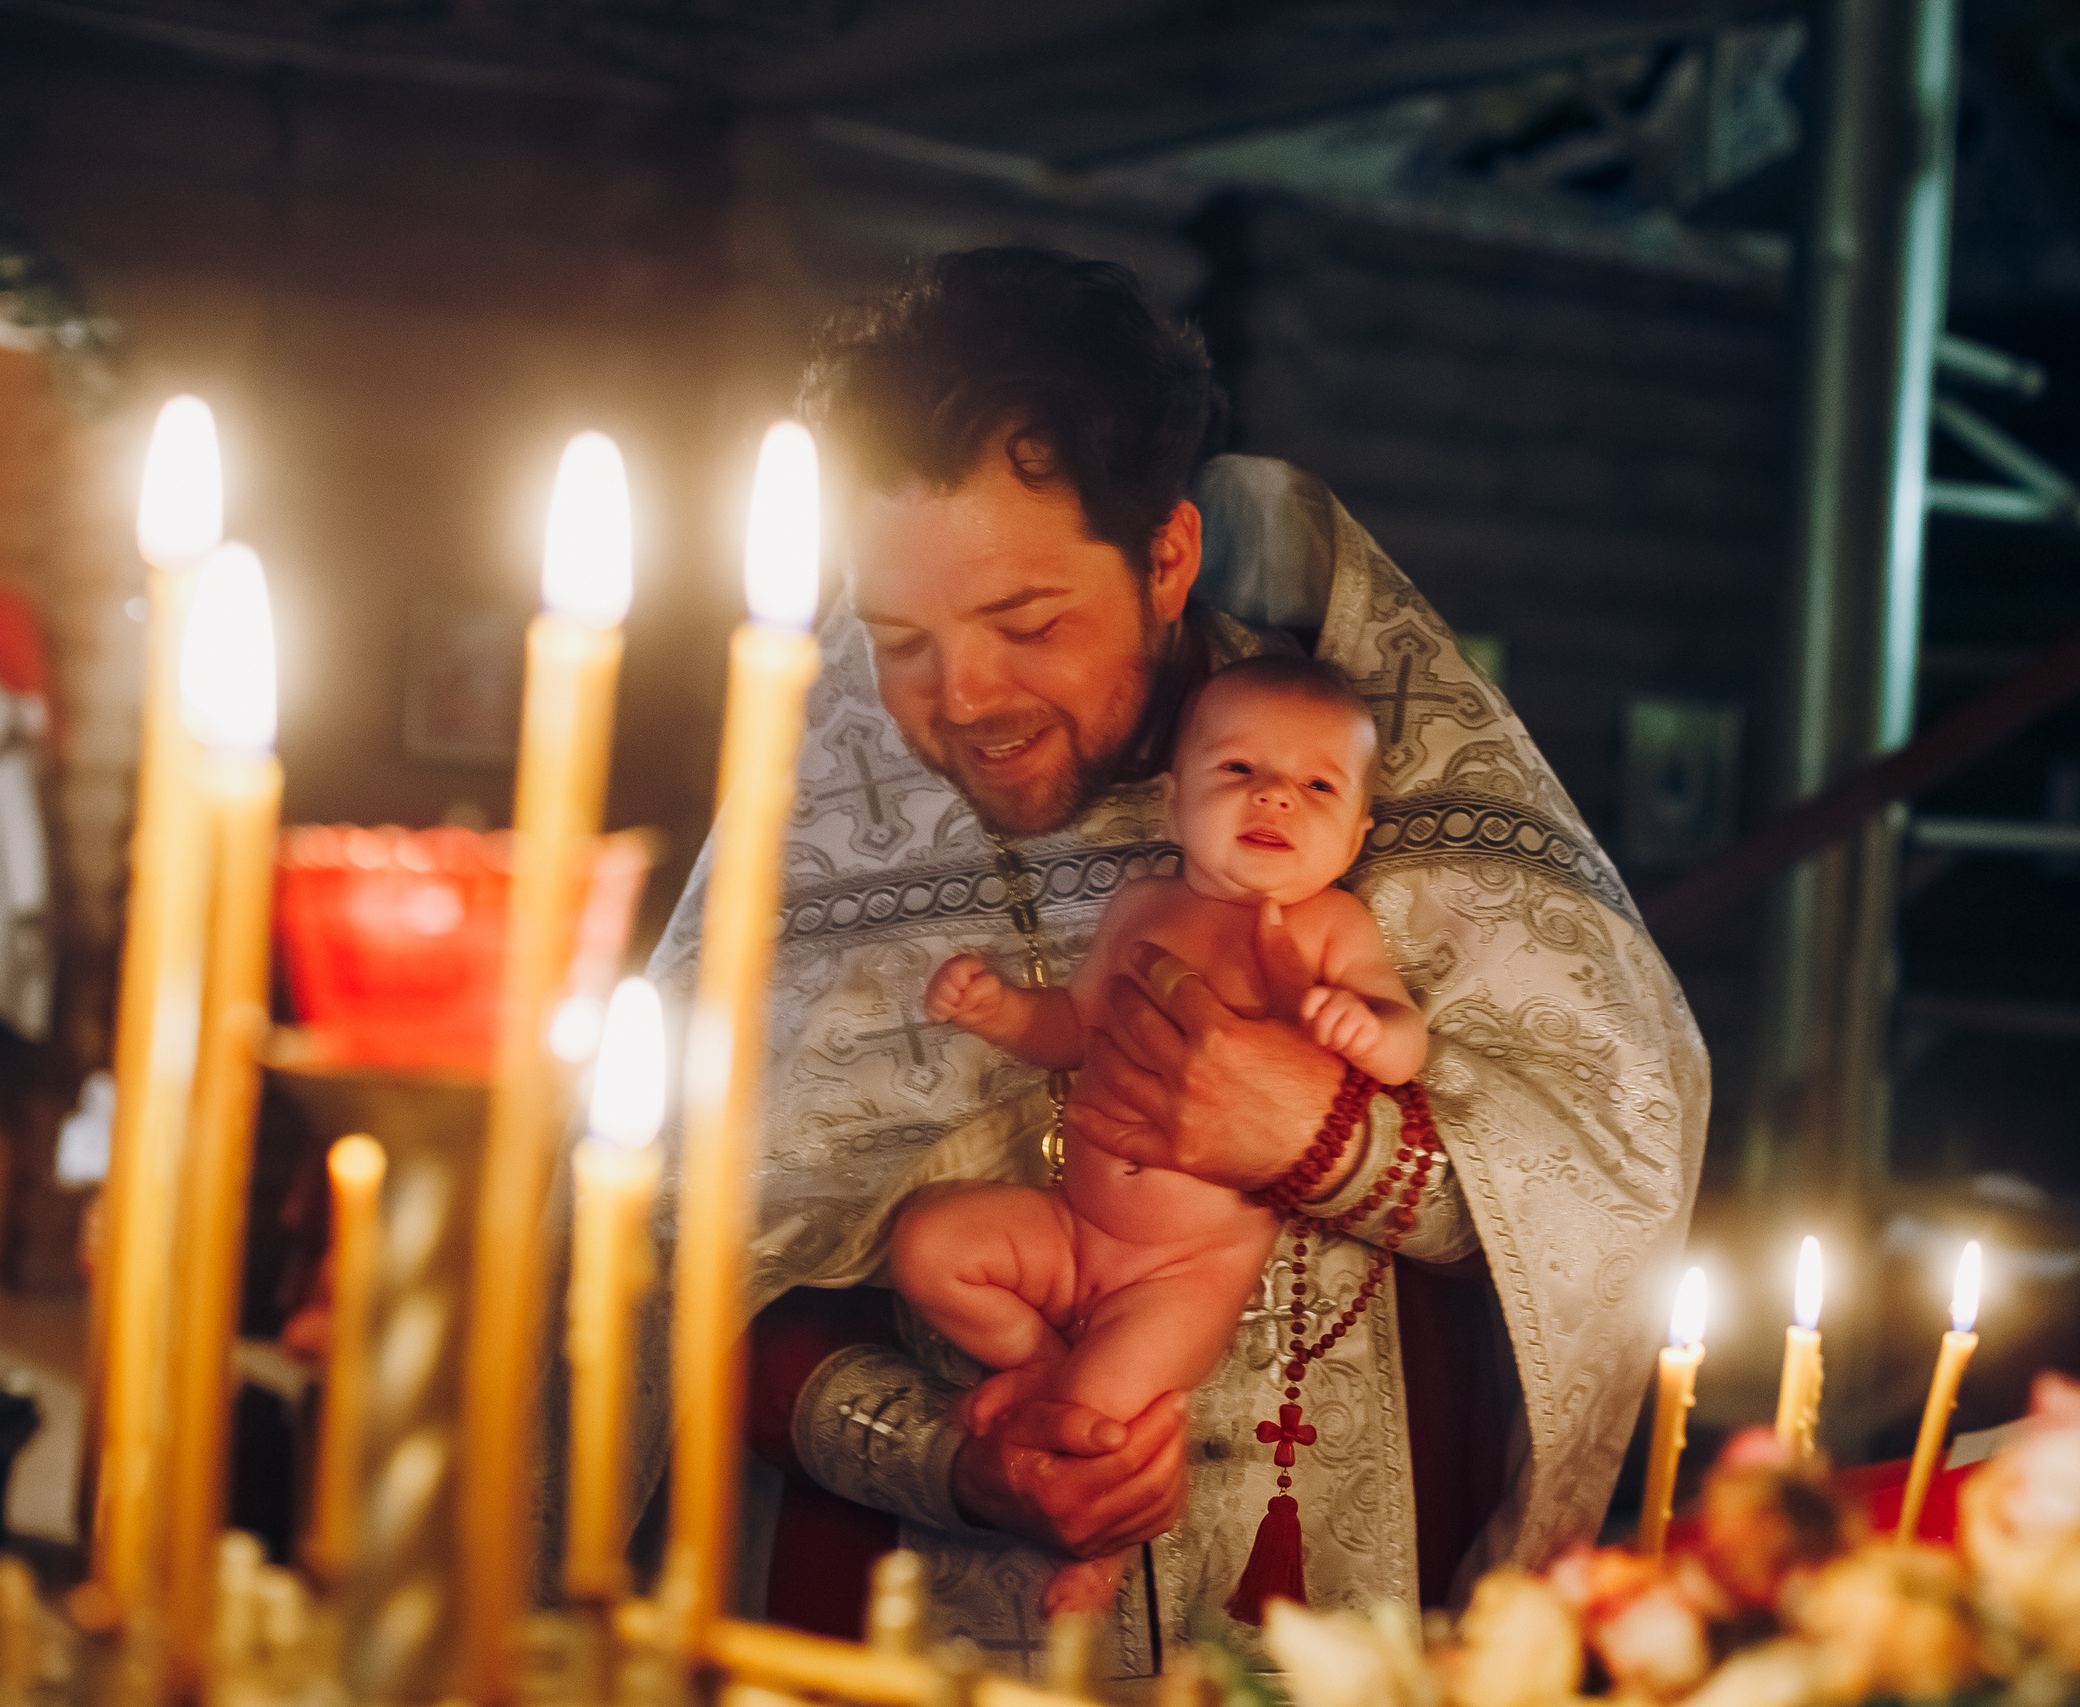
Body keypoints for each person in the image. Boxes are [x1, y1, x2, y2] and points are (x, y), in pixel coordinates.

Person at [645, 246, 1711, 1675]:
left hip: (1327, 1627)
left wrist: (1329, 1138)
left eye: (1027, 623)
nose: (963, 700)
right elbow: (659, 1276)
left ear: (1167, 558)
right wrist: (953, 1455)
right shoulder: (826, 835)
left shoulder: (1347, 777)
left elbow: (1603, 1181)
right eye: (897, 639)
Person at [898, 656, 1427, 1618]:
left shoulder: (1330, 928)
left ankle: (1109, 1540)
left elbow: (1404, 1038)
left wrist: (1368, 1030)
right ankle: (1031, 1357)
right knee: (930, 1247)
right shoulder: (1141, 907)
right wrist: (1000, 1011)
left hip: (1182, 1272)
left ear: (1356, 834)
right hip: (1073, 1226)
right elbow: (1077, 1028)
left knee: (1094, 1418)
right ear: (1174, 801)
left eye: (1317, 787)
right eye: (1239, 770)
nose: (1275, 796)